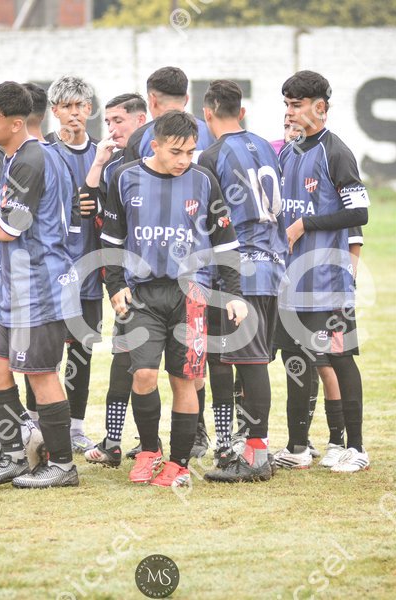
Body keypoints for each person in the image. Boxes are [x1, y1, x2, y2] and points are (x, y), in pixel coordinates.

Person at [101, 110, 247, 487]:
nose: (184, 160)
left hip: (191, 295)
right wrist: (115, 285)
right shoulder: (124, 178)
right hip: (143, 295)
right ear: (155, 145)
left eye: (190, 152)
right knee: (144, 375)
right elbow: (112, 241)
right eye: (176, 152)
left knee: (185, 380)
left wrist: (234, 293)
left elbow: (225, 242)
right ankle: (149, 451)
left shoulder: (204, 181)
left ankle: (178, 464)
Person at [0, 81, 82, 488]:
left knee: (40, 374)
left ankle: (62, 464)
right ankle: (12, 456)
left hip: (40, 285)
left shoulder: (31, 159)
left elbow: (11, 228)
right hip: (15, 285)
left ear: (15, 123)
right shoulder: (17, 157)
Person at [274, 70, 370, 473]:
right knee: (296, 360)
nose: (290, 112)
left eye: (297, 105)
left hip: (328, 283)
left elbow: (359, 212)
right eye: (286, 105)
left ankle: (356, 449)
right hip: (290, 282)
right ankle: (298, 446)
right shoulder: (288, 152)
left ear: (320, 108)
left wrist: (305, 224)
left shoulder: (337, 152)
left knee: (339, 359)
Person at [197, 80, 287, 483]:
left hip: (240, 271)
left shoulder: (212, 155)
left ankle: (256, 455)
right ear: (242, 111)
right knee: (253, 362)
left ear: (207, 113)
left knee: (250, 364)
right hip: (273, 265)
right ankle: (251, 448)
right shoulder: (267, 146)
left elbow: (209, 219)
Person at [81, 93, 148, 467]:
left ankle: (189, 439)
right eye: (107, 122)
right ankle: (113, 441)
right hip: (129, 282)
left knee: (181, 370)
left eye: (118, 120)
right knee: (123, 362)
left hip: (170, 282)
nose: (111, 128)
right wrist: (97, 163)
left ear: (141, 120)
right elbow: (90, 214)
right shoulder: (113, 167)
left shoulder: (168, 160)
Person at [44, 76, 101, 454]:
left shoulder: (104, 155)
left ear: (90, 109)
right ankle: (42, 428)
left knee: (81, 352)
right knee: (44, 355)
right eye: (66, 106)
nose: (74, 113)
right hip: (51, 274)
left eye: (80, 106)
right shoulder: (44, 152)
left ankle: (76, 429)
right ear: (55, 111)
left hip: (90, 274)